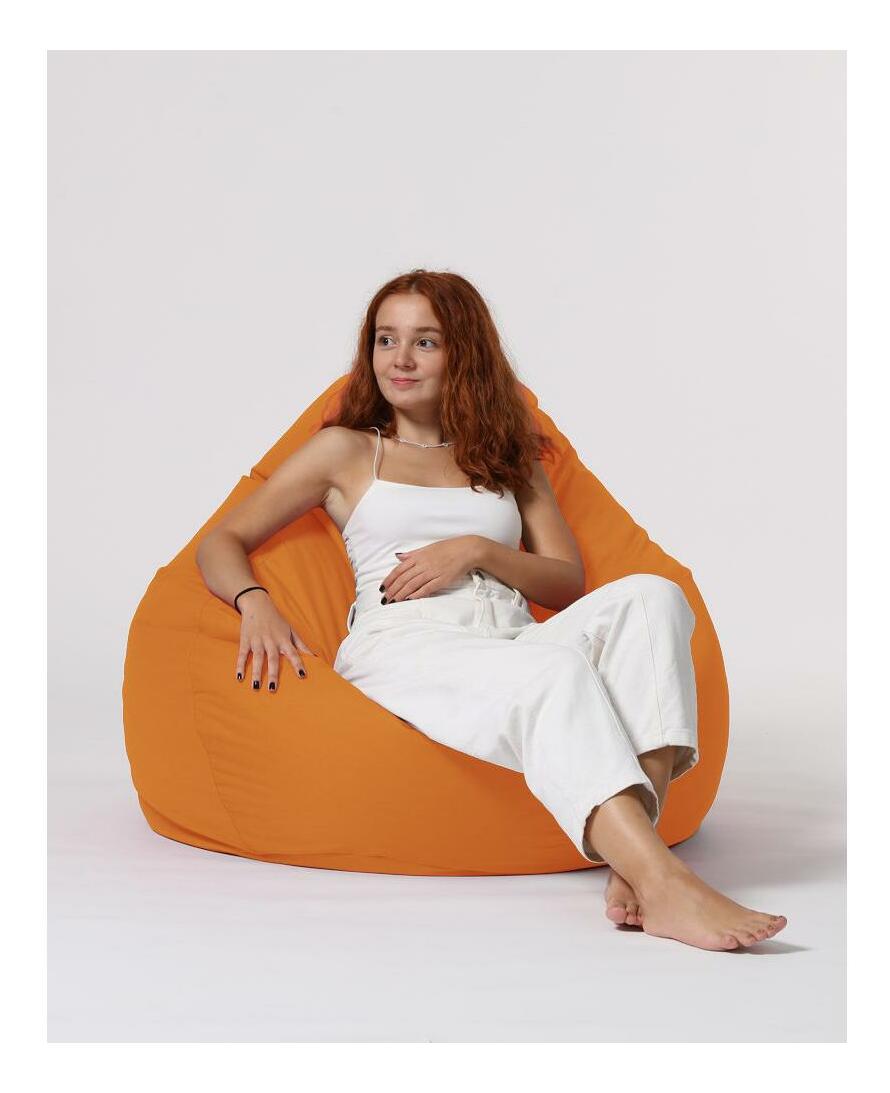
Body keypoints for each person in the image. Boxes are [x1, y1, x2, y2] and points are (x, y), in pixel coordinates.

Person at [196, 269, 787, 951]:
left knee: (655, 598)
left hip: (508, 637)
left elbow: (565, 581)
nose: (400, 359)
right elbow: (221, 540)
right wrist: (254, 601)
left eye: (425, 341)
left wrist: (477, 550)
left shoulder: (505, 454)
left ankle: (636, 858)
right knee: (557, 676)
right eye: (386, 339)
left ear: (464, 352)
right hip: (406, 643)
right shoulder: (348, 450)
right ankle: (663, 882)